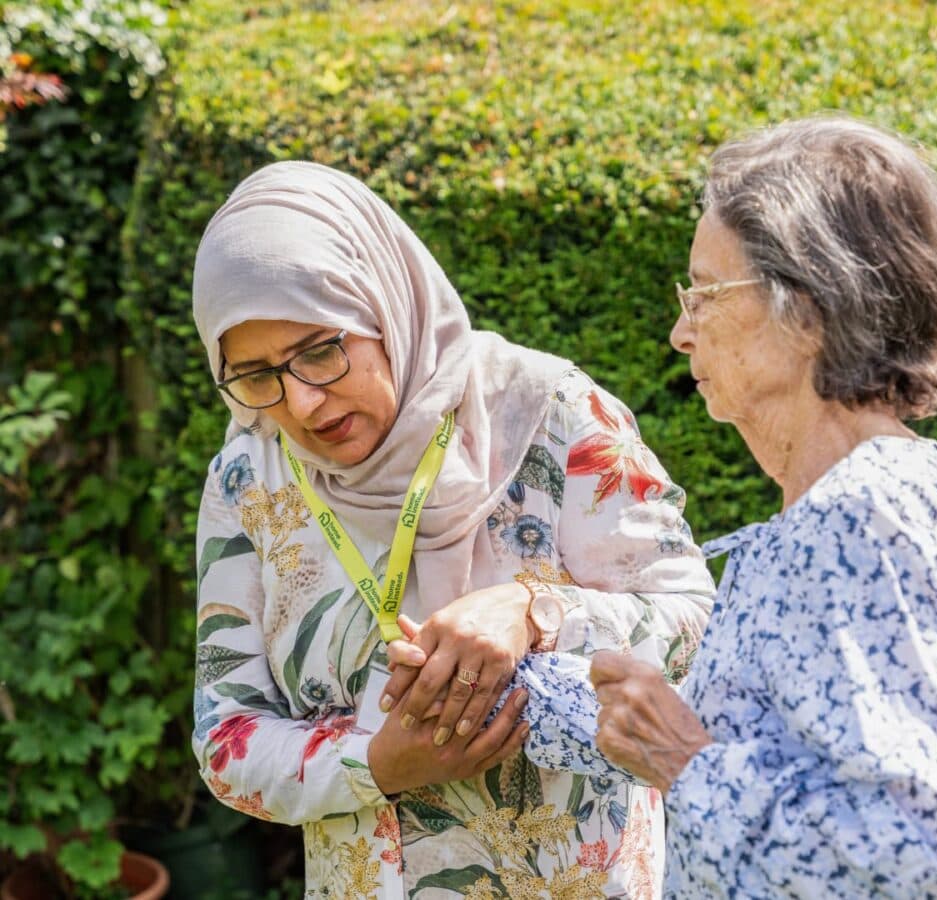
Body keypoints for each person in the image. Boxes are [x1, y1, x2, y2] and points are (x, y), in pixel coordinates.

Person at [190, 161, 715, 899]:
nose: (302, 404)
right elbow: (224, 738)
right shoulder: (250, 477)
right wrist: (375, 765)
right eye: (255, 376)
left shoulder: (550, 414)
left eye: (320, 350)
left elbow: (696, 624)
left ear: (382, 302)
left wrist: (535, 612)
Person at [590, 115, 937, 898]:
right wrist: (520, 688)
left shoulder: (860, 519)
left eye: (704, 293)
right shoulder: (893, 490)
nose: (681, 331)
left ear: (806, 309)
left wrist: (686, 766)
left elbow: (931, 857)